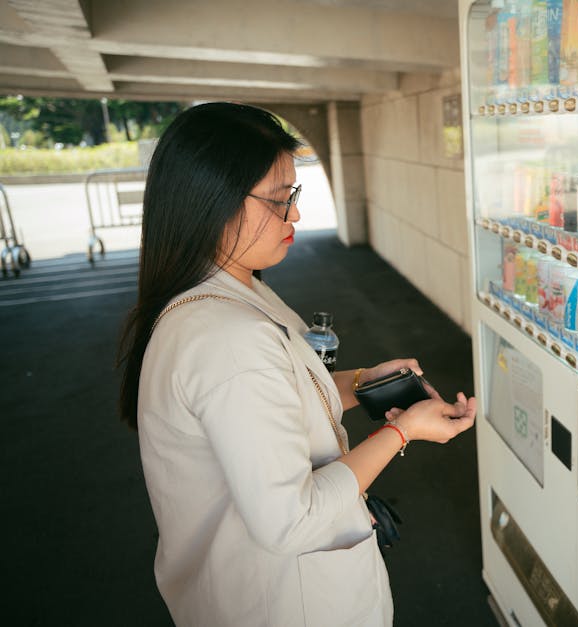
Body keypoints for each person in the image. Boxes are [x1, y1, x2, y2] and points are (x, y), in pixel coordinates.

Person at [117, 102, 477, 626]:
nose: (296, 215)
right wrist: (403, 433)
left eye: (295, 195)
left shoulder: (226, 291)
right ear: (210, 200)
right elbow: (292, 520)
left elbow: (275, 391)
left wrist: (360, 381)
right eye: (279, 199)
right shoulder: (228, 342)